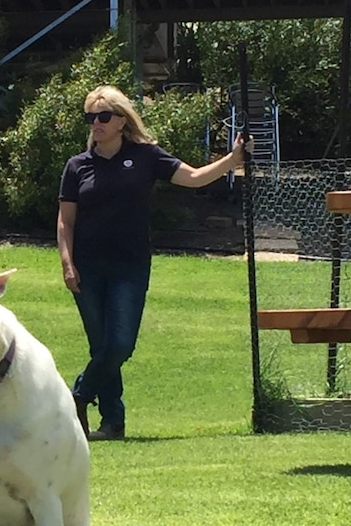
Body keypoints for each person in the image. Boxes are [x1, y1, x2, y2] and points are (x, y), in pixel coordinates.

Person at [57, 85, 252, 442]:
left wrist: (233, 160)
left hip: (129, 266)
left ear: (121, 120)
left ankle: (79, 396)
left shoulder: (145, 156)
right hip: (87, 266)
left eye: (103, 116)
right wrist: (68, 263)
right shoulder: (77, 166)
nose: (96, 124)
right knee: (101, 345)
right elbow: (65, 221)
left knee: (120, 345)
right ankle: (112, 423)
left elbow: (192, 178)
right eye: (90, 117)